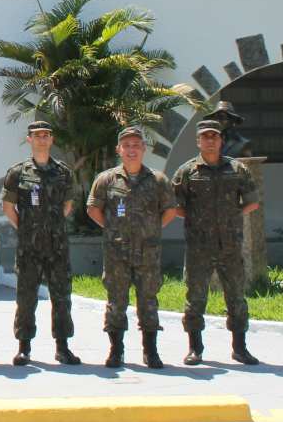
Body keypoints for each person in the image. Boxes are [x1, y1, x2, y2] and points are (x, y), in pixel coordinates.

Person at [87, 126, 180, 369]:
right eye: (126, 145)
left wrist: (152, 229)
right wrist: (111, 229)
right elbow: (93, 209)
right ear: (119, 149)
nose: (131, 150)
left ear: (143, 149)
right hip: (117, 253)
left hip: (147, 254)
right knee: (116, 302)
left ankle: (151, 352)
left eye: (136, 145)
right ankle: (116, 351)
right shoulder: (107, 179)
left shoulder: (158, 180)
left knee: (148, 301)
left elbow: (170, 209)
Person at [174, 118, 262, 366]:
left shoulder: (237, 169)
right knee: (196, 297)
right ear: (198, 141)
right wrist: (195, 218)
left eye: (215, 136)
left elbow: (252, 202)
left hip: (230, 247)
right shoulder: (187, 171)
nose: (210, 140)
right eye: (206, 136)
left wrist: (232, 217)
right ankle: (195, 349)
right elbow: (174, 205)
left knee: (236, 297)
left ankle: (240, 348)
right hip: (198, 247)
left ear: (221, 140)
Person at [2, 120, 80, 366]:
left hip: (57, 247)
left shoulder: (63, 171)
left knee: (61, 297)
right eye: (37, 136)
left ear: (51, 139)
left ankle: (63, 347)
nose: (42, 139)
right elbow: (7, 208)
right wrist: (27, 229)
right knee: (26, 297)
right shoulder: (18, 172)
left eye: (46, 135)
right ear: (29, 140)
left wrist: (52, 227)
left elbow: (67, 205)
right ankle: (24, 347)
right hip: (29, 248)